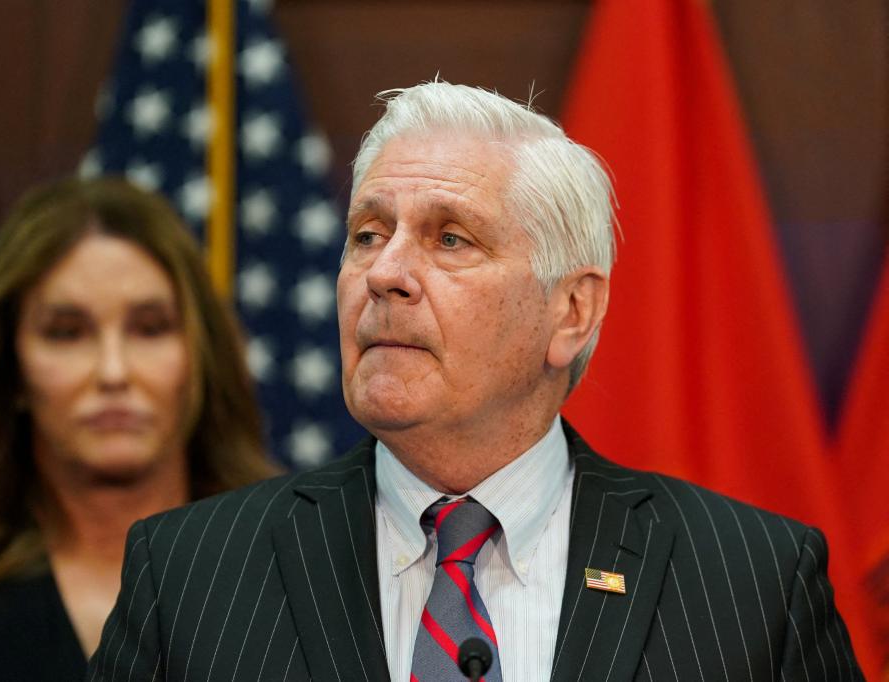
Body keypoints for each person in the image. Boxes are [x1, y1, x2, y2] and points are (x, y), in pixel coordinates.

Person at [88, 83, 861, 681]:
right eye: (366, 235)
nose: (384, 274)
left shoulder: (752, 583)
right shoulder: (190, 574)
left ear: (571, 310)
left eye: (450, 238)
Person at [0, 177, 277, 680]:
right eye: (67, 333)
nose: (113, 372)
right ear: (10, 368)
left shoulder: (300, 571)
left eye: (149, 328)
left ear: (200, 356)